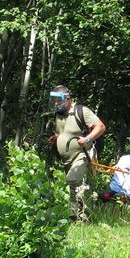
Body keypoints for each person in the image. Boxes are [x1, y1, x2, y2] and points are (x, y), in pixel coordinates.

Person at [48, 85, 106, 220]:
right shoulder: (58, 115)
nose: (56, 103)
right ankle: (81, 215)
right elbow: (61, 132)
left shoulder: (81, 111)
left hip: (83, 154)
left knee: (72, 179)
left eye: (59, 100)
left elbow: (101, 127)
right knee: (76, 185)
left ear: (68, 98)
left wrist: (87, 138)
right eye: (54, 100)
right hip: (67, 159)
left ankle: (77, 216)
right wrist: (55, 138)